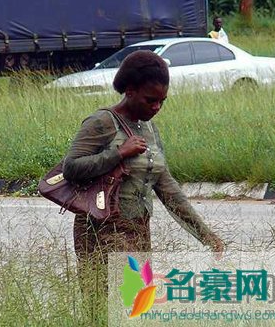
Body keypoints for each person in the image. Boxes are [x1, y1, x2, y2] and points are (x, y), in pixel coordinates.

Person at [63, 51, 224, 281]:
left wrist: (204, 234)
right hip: (101, 231)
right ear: (130, 91)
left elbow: (168, 188)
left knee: (135, 305)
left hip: (138, 231)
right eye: (151, 100)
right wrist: (118, 153)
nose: (157, 107)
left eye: (162, 101)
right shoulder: (101, 122)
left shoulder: (150, 130)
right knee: (104, 309)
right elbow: (71, 167)